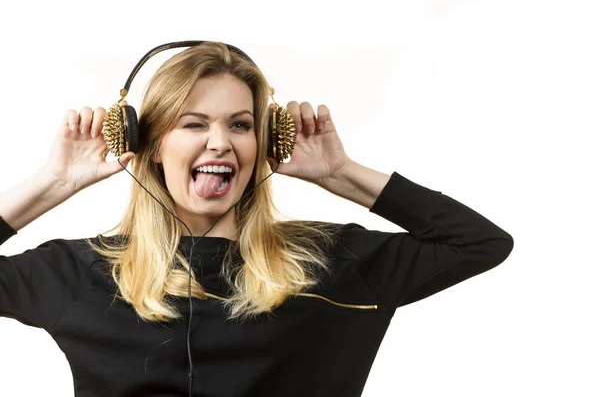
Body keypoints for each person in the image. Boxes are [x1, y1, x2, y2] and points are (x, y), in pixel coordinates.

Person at [0, 41, 514, 396]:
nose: (220, 142)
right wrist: (56, 182)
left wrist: (339, 172)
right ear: (150, 145)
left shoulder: (331, 263)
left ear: (265, 142)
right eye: (193, 123)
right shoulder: (80, 273)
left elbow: (478, 243)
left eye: (240, 125)